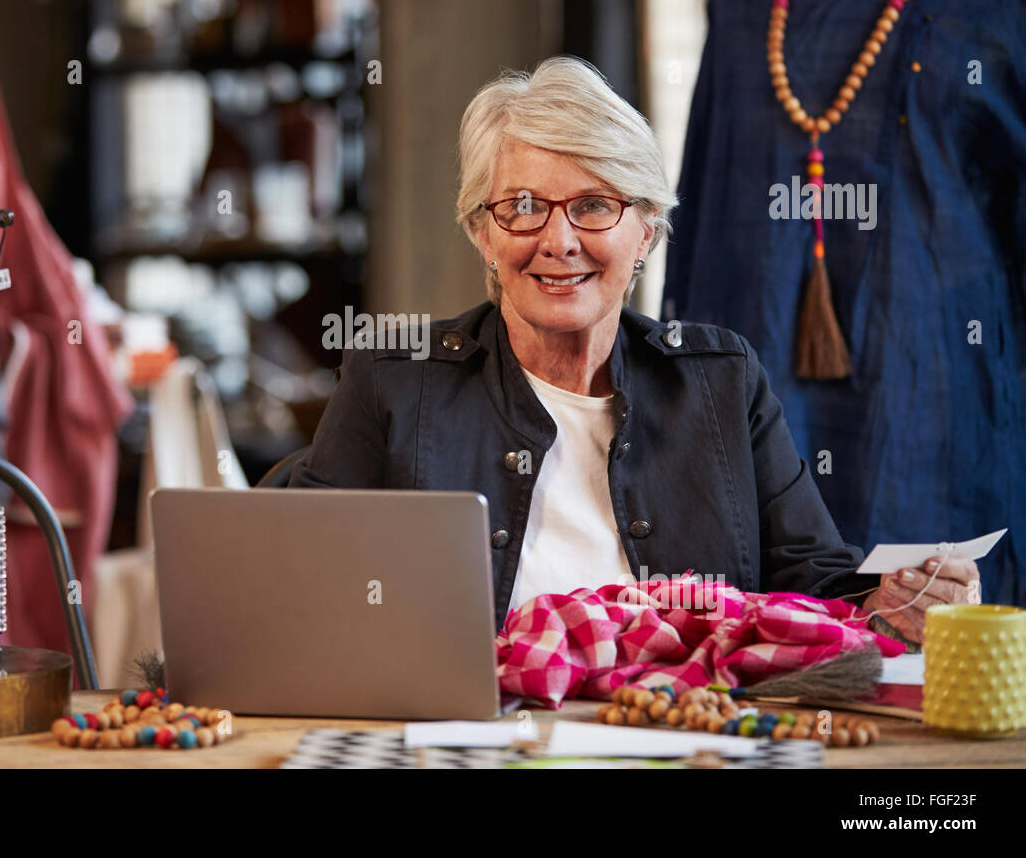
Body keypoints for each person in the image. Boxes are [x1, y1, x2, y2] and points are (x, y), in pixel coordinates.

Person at [289, 56, 977, 643]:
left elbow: (821, 586)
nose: (558, 240)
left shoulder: (721, 384)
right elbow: (303, 596)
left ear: (646, 231)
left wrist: (897, 604)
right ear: (483, 234)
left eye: (593, 205)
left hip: (692, 739)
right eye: (523, 206)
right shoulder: (392, 381)